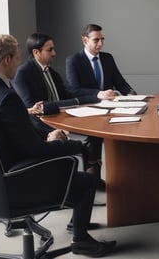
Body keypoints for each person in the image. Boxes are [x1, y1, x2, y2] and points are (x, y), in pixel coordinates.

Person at [0, 34, 116, 258]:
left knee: (71, 155)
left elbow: (14, 130)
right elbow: (36, 151)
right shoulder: (7, 97)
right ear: (7, 59)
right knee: (86, 179)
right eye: (17, 58)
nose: (19, 62)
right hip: (16, 180)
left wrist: (45, 137)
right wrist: (67, 145)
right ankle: (80, 240)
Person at [12, 32, 105, 192]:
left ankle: (92, 178)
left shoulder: (52, 73)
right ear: (36, 52)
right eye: (50, 50)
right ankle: (77, 184)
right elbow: (34, 109)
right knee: (80, 145)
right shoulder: (23, 74)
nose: (54, 53)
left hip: (63, 118)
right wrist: (58, 105)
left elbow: (68, 95)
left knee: (96, 130)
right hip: (41, 127)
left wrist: (96, 96)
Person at [66, 23, 136, 100]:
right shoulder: (73, 61)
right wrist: (98, 93)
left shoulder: (107, 58)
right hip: (87, 106)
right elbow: (74, 90)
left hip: (109, 105)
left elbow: (120, 82)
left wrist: (131, 94)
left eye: (102, 39)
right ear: (85, 40)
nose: (100, 44)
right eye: (96, 40)